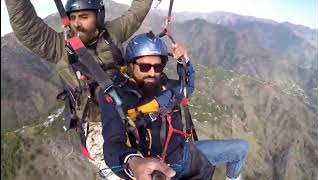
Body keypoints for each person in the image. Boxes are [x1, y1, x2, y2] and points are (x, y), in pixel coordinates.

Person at [5, 0, 154, 178]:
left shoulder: (112, 33)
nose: (76, 23)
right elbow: (26, 26)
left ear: (98, 18)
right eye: (73, 17)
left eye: (84, 17)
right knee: (121, 172)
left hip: (128, 110)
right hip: (96, 122)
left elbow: (137, 12)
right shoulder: (59, 47)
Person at [98, 31, 249, 180]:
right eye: (144, 67)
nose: (152, 73)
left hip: (185, 155)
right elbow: (113, 143)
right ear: (131, 65)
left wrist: (184, 62)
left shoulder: (163, 85)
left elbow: (186, 89)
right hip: (159, 170)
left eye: (157, 67)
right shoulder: (117, 96)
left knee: (241, 149)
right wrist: (133, 162)